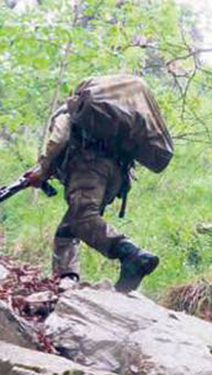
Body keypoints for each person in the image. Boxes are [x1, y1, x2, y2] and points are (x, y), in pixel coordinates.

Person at [25, 98, 159, 294]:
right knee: (68, 229)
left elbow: (59, 139)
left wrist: (42, 171)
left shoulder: (68, 112)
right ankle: (66, 278)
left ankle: (131, 255)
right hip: (116, 176)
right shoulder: (109, 118)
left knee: (82, 219)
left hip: (89, 167)